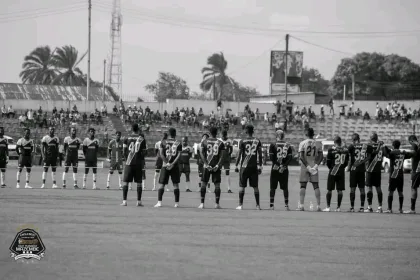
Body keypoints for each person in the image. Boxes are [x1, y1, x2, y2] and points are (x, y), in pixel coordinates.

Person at [234, 125, 262, 210]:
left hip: (244, 166)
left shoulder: (242, 141)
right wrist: (260, 166)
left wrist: (236, 165)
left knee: (242, 186)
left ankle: (240, 205)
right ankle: (257, 205)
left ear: (246, 131)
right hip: (253, 166)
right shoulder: (257, 141)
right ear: (253, 131)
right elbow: (260, 154)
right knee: (255, 187)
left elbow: (239, 154)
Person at [154, 127, 183, 208]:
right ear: (175, 134)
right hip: (175, 166)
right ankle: (176, 203)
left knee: (162, 184)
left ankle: (159, 202)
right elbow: (179, 155)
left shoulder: (163, 142)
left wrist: (167, 163)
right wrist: (172, 163)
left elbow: (161, 154)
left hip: (165, 165)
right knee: (175, 184)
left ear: (169, 134)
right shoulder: (178, 143)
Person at [198, 127, 226, 209]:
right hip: (216, 167)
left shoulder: (204, 142)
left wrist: (206, 164)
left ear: (209, 133)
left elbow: (202, 154)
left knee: (204, 184)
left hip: (207, 166)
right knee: (217, 185)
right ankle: (217, 204)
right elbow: (222, 156)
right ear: (216, 133)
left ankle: (202, 204)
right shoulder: (220, 143)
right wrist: (218, 165)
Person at [120, 123, 146, 206]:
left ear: (131, 129)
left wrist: (127, 159)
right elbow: (145, 152)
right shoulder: (142, 139)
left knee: (126, 182)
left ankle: (124, 201)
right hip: (138, 163)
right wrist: (139, 158)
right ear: (138, 129)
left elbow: (124, 151)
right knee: (139, 183)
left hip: (129, 163)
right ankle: (138, 201)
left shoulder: (126, 138)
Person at [298, 128, 322, 211]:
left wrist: (307, 167)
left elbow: (301, 156)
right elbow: (321, 156)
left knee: (303, 185)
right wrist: (315, 166)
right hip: (314, 164)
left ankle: (301, 206)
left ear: (306, 134)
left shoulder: (302, 143)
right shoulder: (318, 143)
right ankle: (318, 206)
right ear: (313, 134)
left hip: (305, 166)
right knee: (316, 186)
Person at [383, 140, 409, 213]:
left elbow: (385, 152)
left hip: (393, 175)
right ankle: (400, 209)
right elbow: (410, 155)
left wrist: (387, 149)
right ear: (399, 145)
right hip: (400, 175)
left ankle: (389, 209)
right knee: (400, 192)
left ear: (393, 146)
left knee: (390, 192)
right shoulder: (402, 153)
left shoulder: (392, 153)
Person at [346, 133, 370, 212]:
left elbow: (349, 159)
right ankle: (362, 207)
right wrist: (363, 161)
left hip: (354, 169)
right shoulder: (364, 146)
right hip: (361, 170)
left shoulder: (351, 146)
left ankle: (352, 207)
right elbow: (370, 156)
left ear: (353, 140)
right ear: (359, 139)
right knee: (362, 189)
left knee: (352, 189)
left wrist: (348, 168)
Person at [324, 136, 349, 212]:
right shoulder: (345, 151)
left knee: (329, 189)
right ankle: (338, 207)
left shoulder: (331, 150)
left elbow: (328, 163)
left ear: (334, 142)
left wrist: (331, 168)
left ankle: (328, 207)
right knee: (340, 190)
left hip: (333, 171)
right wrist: (341, 167)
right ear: (340, 142)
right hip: (341, 171)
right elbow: (346, 163)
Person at [269, 130, 292, 210]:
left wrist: (277, 165)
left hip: (275, 168)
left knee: (272, 187)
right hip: (284, 169)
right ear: (283, 136)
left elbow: (271, 158)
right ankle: (286, 205)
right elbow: (290, 158)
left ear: (276, 136)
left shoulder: (273, 145)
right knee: (285, 188)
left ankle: (271, 205)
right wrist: (284, 166)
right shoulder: (287, 145)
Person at [365, 132, 385, 213]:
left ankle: (369, 207)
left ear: (371, 138)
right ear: (377, 138)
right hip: (378, 170)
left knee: (369, 188)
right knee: (378, 188)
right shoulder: (382, 147)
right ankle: (380, 207)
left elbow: (370, 155)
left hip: (370, 169)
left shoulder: (369, 146)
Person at [405, 135, 420, 214]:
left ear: (411, 140)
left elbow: (413, 153)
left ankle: (412, 209)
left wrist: (406, 154)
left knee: (414, 188)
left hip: (417, 170)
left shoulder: (414, 145)